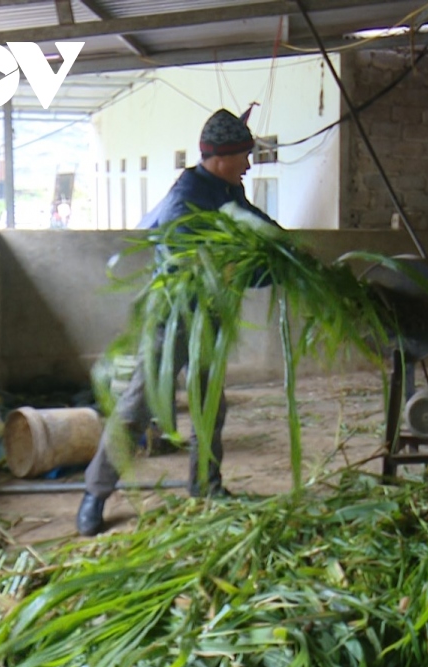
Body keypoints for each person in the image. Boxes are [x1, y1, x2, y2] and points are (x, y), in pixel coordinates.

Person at [77, 108, 280, 536]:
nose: (248, 163)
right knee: (138, 406)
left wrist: (287, 255)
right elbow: (213, 264)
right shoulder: (185, 199)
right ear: (221, 157)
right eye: (244, 155)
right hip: (174, 319)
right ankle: (94, 493)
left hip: (212, 317)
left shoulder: (228, 191)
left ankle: (206, 486)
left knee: (210, 404)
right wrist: (257, 269)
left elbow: (261, 235)